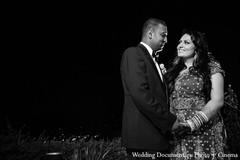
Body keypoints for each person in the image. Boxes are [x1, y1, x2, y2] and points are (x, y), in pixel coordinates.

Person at [120, 18, 180, 160]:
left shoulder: (154, 60)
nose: (166, 40)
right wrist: (169, 121)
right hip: (143, 139)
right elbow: (140, 94)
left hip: (157, 139)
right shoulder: (133, 53)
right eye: (163, 35)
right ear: (150, 33)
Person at [164, 29, 228, 159]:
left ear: (197, 48)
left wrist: (192, 124)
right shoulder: (173, 72)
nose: (180, 45)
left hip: (203, 129)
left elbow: (217, 100)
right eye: (179, 42)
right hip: (178, 130)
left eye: (186, 42)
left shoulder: (211, 68)